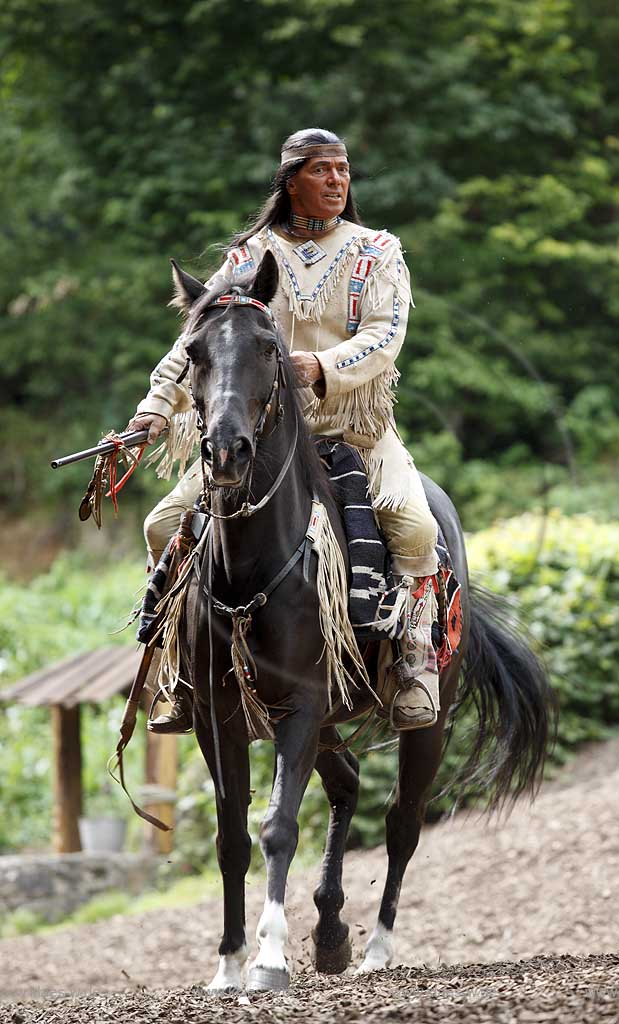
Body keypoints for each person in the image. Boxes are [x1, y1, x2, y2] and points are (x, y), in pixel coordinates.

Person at [128, 128, 440, 732]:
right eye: (321, 170)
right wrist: (154, 410)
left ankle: (415, 662)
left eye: (343, 170)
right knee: (163, 522)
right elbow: (197, 343)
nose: (336, 181)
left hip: (356, 428)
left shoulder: (377, 251)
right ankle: (180, 673)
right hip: (261, 438)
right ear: (289, 180)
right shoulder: (247, 256)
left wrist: (318, 366)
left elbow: (385, 335)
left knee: (415, 522)